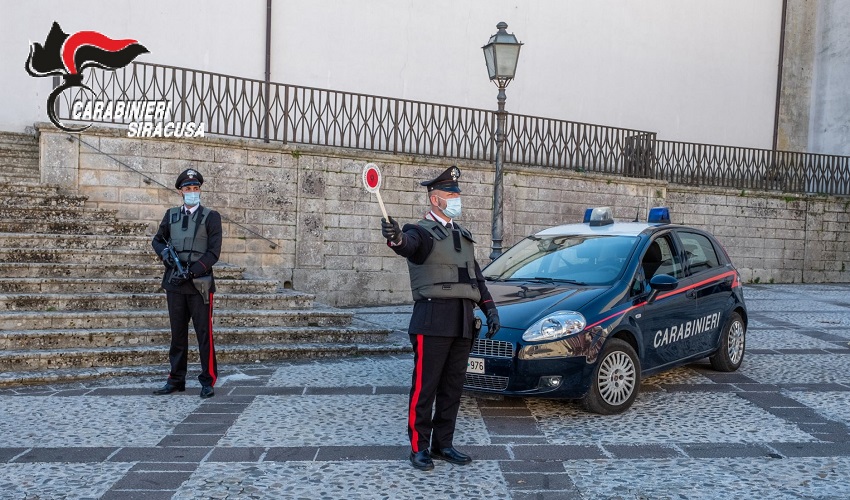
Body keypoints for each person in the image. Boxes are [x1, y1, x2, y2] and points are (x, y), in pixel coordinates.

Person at [381, 165, 500, 471]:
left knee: (452, 388)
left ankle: (443, 444)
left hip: (463, 319)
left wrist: (490, 309)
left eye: (456, 194)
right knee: (425, 387)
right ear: (435, 200)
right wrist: (394, 238)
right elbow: (408, 248)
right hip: (432, 318)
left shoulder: (461, 234)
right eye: (450, 194)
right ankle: (419, 448)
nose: (456, 198)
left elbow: (477, 278)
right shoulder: (418, 231)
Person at [151, 168, 222, 399]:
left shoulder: (211, 217)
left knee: (204, 334)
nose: (192, 192)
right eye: (188, 188)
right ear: (180, 191)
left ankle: (207, 380)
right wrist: (165, 255)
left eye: (196, 188)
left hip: (199, 284)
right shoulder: (170, 215)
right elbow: (158, 240)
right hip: (174, 283)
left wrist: (192, 271)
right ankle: (176, 379)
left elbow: (214, 253)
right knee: (177, 335)